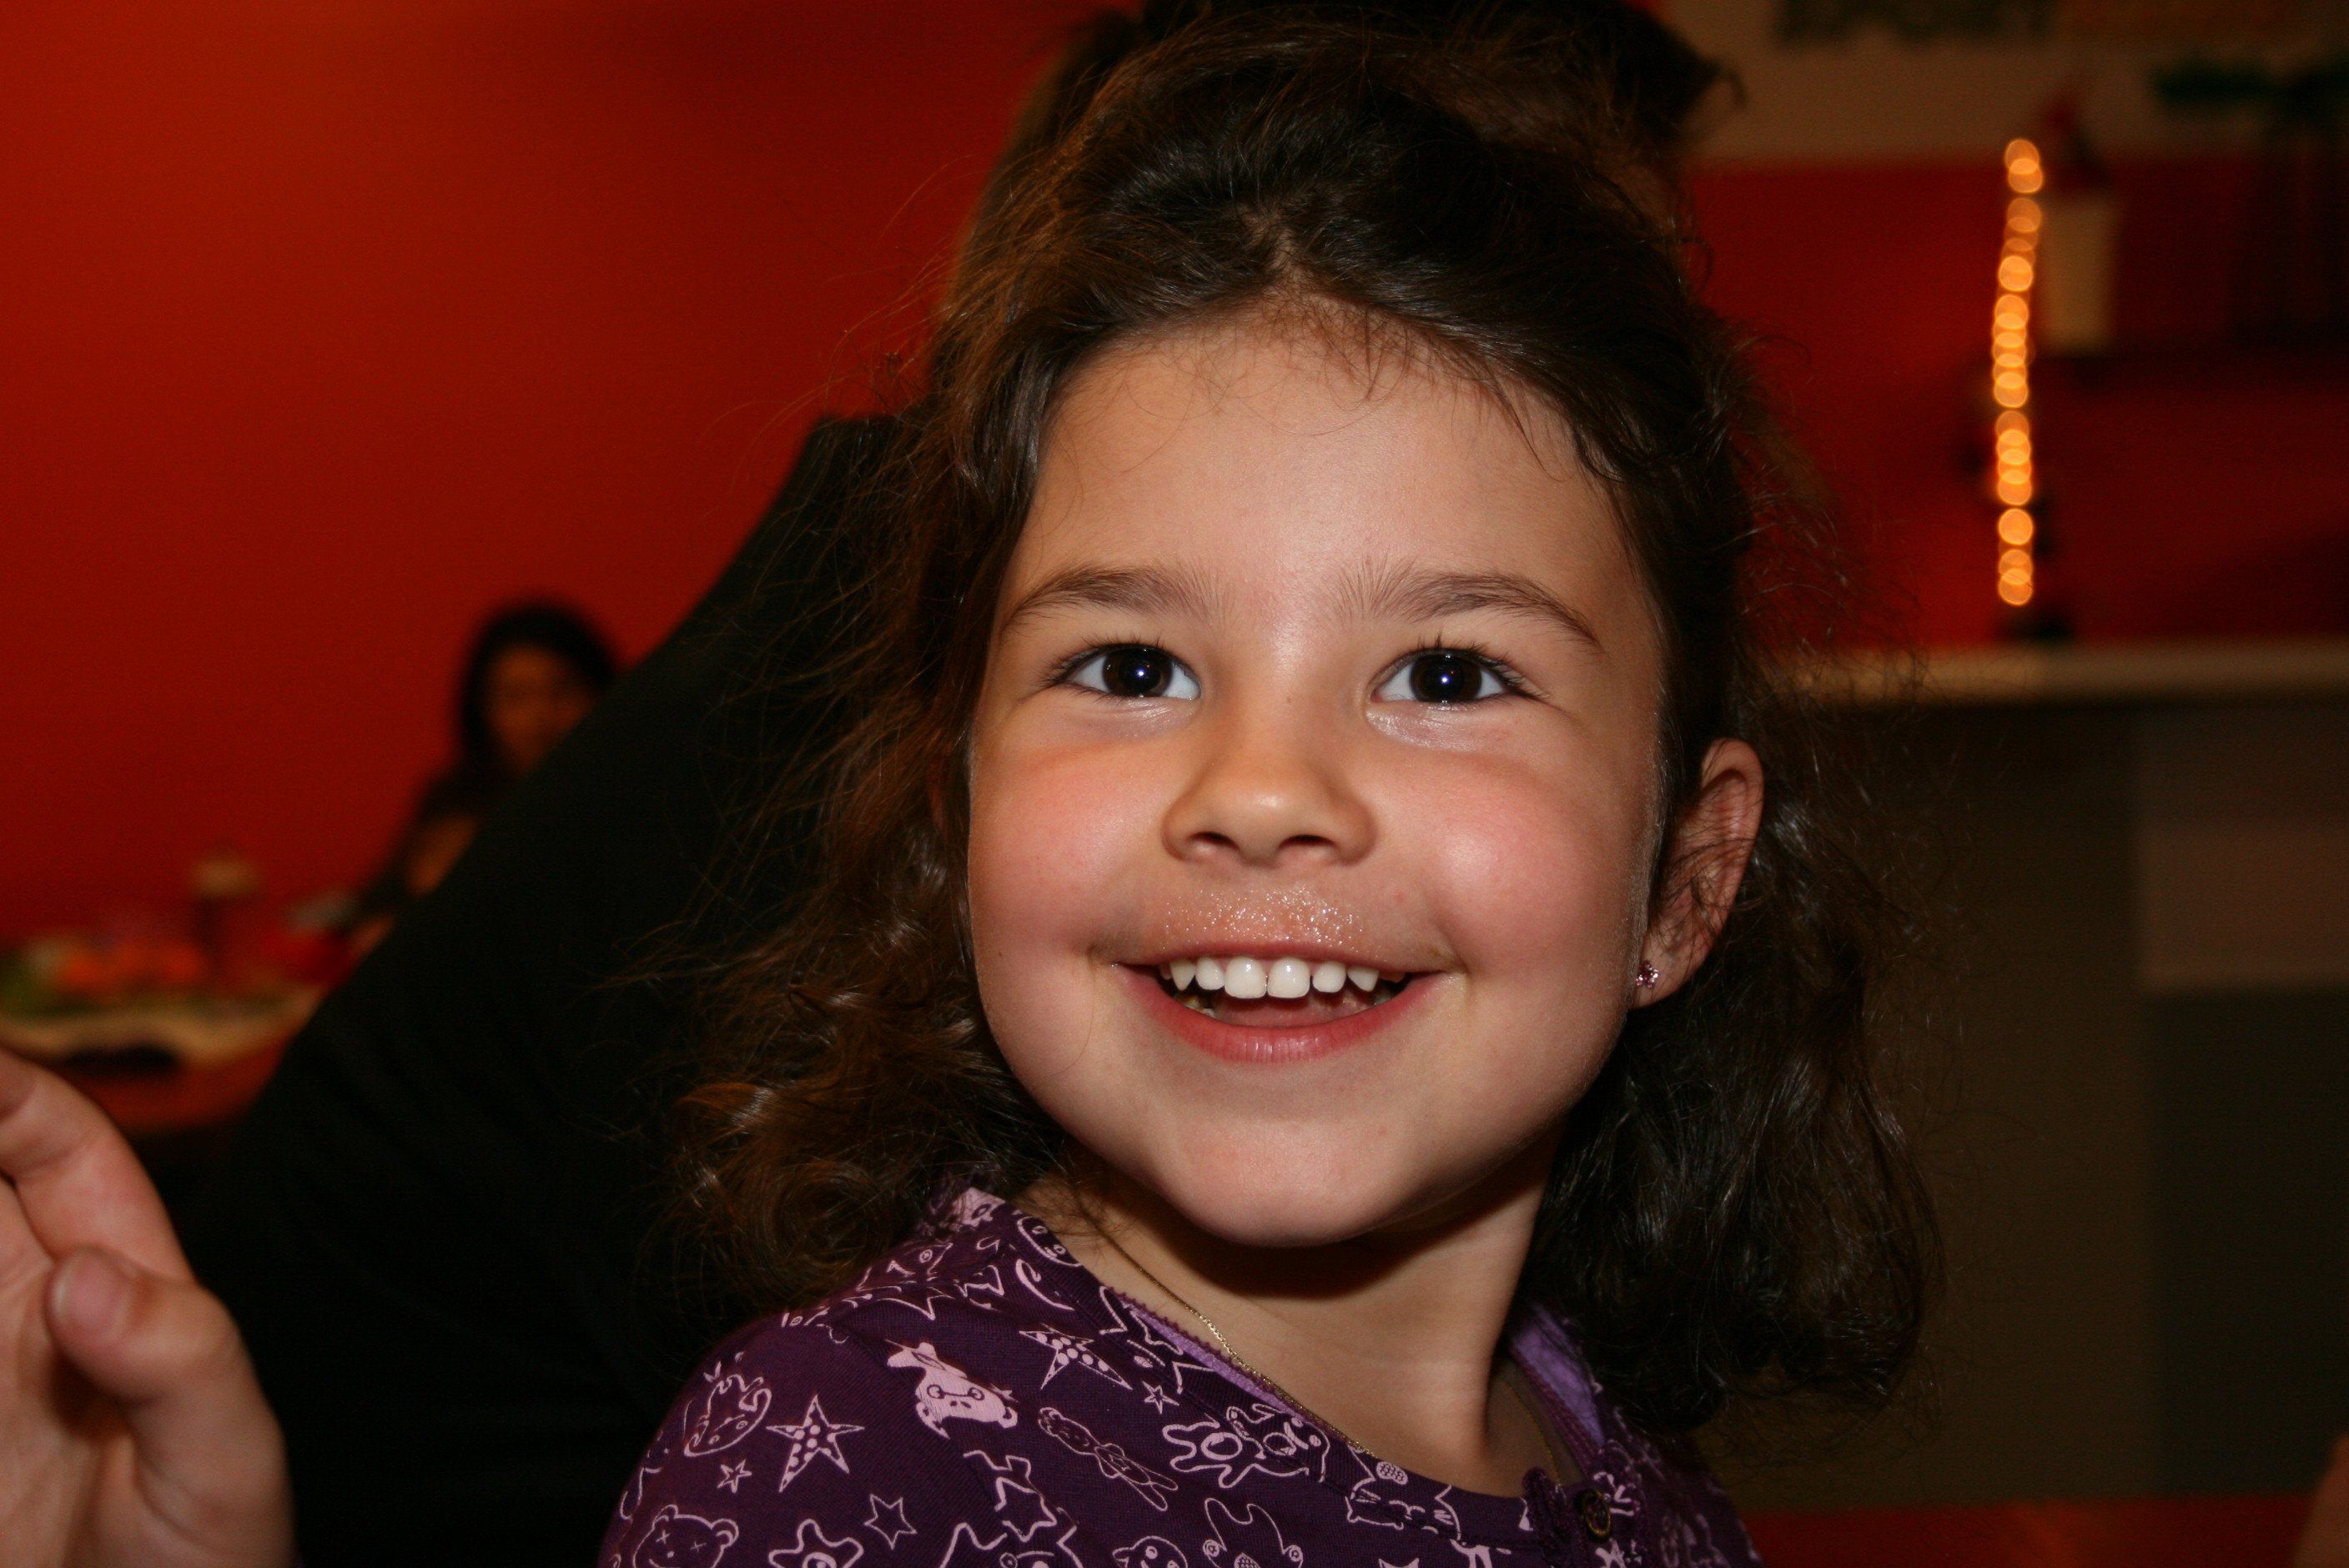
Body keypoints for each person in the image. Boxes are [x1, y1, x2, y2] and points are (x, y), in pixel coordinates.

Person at [174, 6, 1728, 1564]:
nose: (1262, 791)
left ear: (1688, 873)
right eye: (1134, 668)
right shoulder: (848, 1470)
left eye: (1447, 677)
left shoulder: (1586, 1429)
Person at [347, 601, 618, 947]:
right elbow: (378, 912)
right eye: (515, 697)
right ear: (482, 709)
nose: (540, 717)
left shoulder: (624, 795)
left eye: (562, 691)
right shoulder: (458, 800)